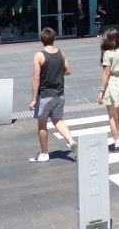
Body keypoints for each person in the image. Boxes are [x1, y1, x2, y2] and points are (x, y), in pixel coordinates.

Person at [29, 27, 76, 162]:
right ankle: (71, 141)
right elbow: (68, 71)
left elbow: (36, 78)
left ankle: (44, 154)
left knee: (42, 125)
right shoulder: (61, 53)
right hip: (59, 93)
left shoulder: (39, 55)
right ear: (54, 39)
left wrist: (33, 99)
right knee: (58, 121)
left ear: (42, 40)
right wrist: (57, 72)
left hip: (44, 94)